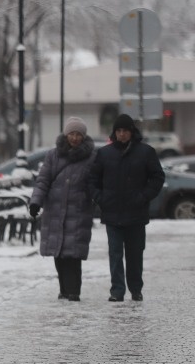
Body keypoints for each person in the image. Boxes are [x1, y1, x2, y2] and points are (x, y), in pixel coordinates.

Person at [88, 114, 165, 302]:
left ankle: (136, 289)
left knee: (135, 254)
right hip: (112, 212)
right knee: (115, 253)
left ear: (132, 132)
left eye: (125, 131)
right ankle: (117, 290)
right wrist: (100, 198)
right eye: (119, 131)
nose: (122, 134)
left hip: (136, 213)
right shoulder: (104, 154)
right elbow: (92, 180)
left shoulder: (146, 152)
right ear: (114, 133)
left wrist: (143, 196)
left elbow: (157, 178)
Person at [28, 117, 97, 301]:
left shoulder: (91, 157)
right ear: (66, 135)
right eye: (71, 134)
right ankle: (63, 289)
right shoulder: (53, 155)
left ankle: (73, 291)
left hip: (78, 211)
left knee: (73, 255)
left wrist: (96, 201)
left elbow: (94, 184)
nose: (75, 138)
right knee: (58, 252)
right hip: (55, 211)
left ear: (83, 137)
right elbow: (43, 180)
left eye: (78, 135)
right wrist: (36, 202)